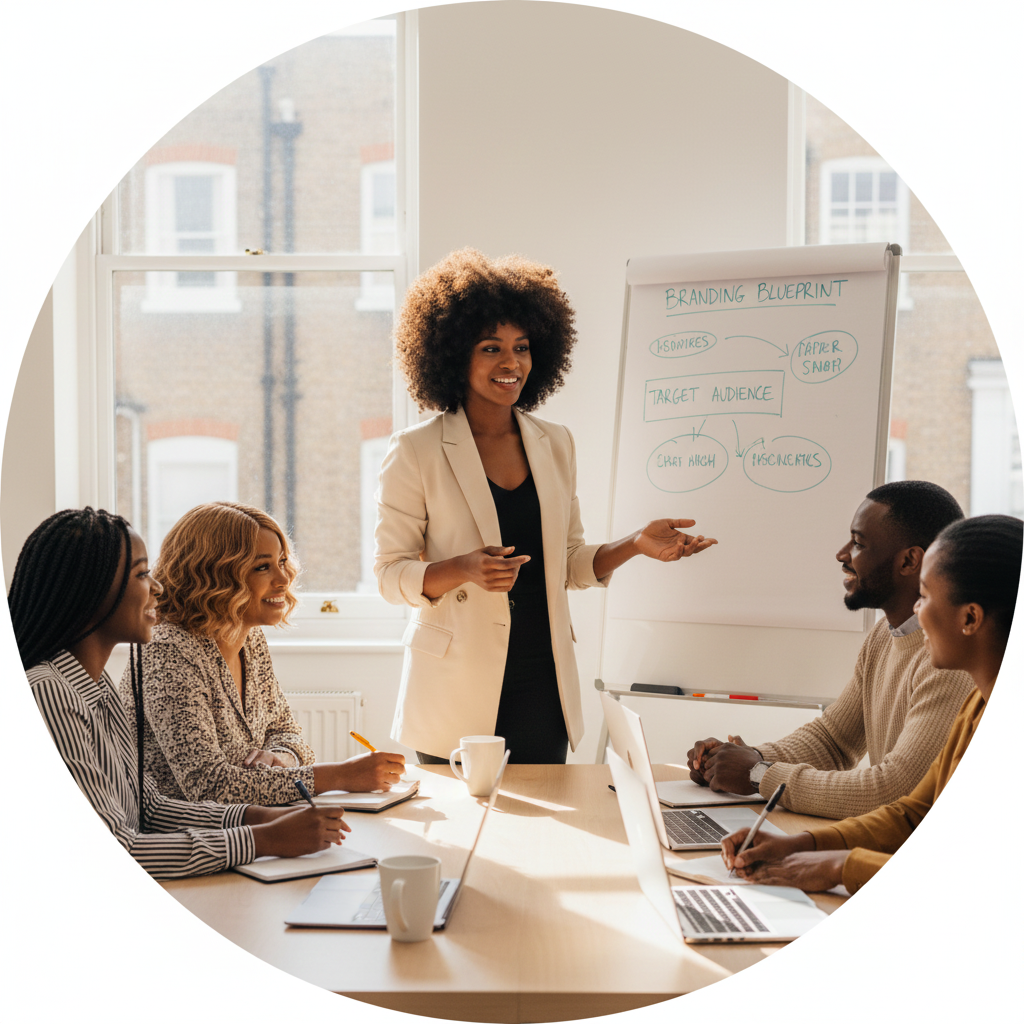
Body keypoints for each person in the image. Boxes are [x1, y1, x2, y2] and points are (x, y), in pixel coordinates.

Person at [376, 248, 717, 764]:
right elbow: (389, 575)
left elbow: (570, 563)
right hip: (454, 682)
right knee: (465, 832)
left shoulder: (555, 443)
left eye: (522, 347)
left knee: (544, 835)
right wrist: (465, 569)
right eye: (491, 348)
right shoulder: (415, 450)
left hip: (542, 676)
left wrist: (635, 544)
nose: (511, 363)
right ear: (452, 354)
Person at [12, 508, 350, 879]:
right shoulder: (50, 693)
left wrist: (262, 816)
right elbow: (117, 848)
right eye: (142, 575)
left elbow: (151, 808)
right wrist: (262, 839)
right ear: (91, 592)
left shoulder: (96, 687)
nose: (157, 587)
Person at [722, 513, 1022, 894]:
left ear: (970, 617)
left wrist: (841, 865)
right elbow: (914, 813)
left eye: (926, 597)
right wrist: (803, 845)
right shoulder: (978, 704)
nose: (917, 610)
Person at [688, 481, 974, 818]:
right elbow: (833, 741)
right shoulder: (884, 635)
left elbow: (894, 791)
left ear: (910, 561)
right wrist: (736, 760)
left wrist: (757, 775)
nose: (842, 554)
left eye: (858, 544)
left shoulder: (951, 659)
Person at [120, 502, 405, 805]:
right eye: (262, 567)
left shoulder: (248, 636)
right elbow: (209, 787)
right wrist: (339, 776)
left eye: (282, 561)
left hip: (246, 824)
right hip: (183, 837)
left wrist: (280, 758)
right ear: (213, 574)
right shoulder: (167, 653)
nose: (283, 579)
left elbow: (287, 732)